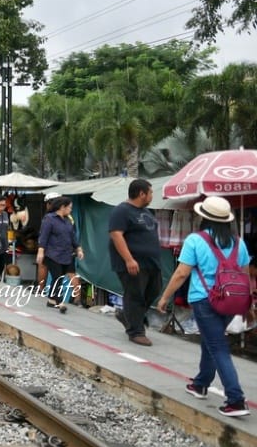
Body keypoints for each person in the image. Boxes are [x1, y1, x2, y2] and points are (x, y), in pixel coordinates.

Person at [155, 196, 251, 417]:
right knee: (211, 341)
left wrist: (164, 297)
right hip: (232, 300)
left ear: (203, 217)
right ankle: (200, 384)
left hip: (205, 300)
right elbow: (244, 275)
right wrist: (249, 304)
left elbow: (181, 273)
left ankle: (235, 399)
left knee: (217, 346)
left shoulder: (195, 240)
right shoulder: (239, 242)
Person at [108, 178, 161, 346]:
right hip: (133, 263)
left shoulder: (146, 211)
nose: (152, 196)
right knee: (135, 295)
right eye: (150, 192)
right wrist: (129, 259)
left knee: (154, 291)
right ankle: (136, 332)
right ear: (142, 193)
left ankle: (128, 316)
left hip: (151, 262)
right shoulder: (122, 211)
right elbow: (116, 235)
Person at [36, 196, 84, 313]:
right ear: (62, 207)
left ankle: (51, 300)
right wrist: (41, 251)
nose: (71, 210)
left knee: (59, 278)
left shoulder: (68, 221)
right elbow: (44, 236)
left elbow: (72, 237)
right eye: (69, 207)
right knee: (57, 277)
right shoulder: (49, 219)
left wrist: (78, 249)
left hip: (66, 254)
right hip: (52, 254)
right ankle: (60, 302)